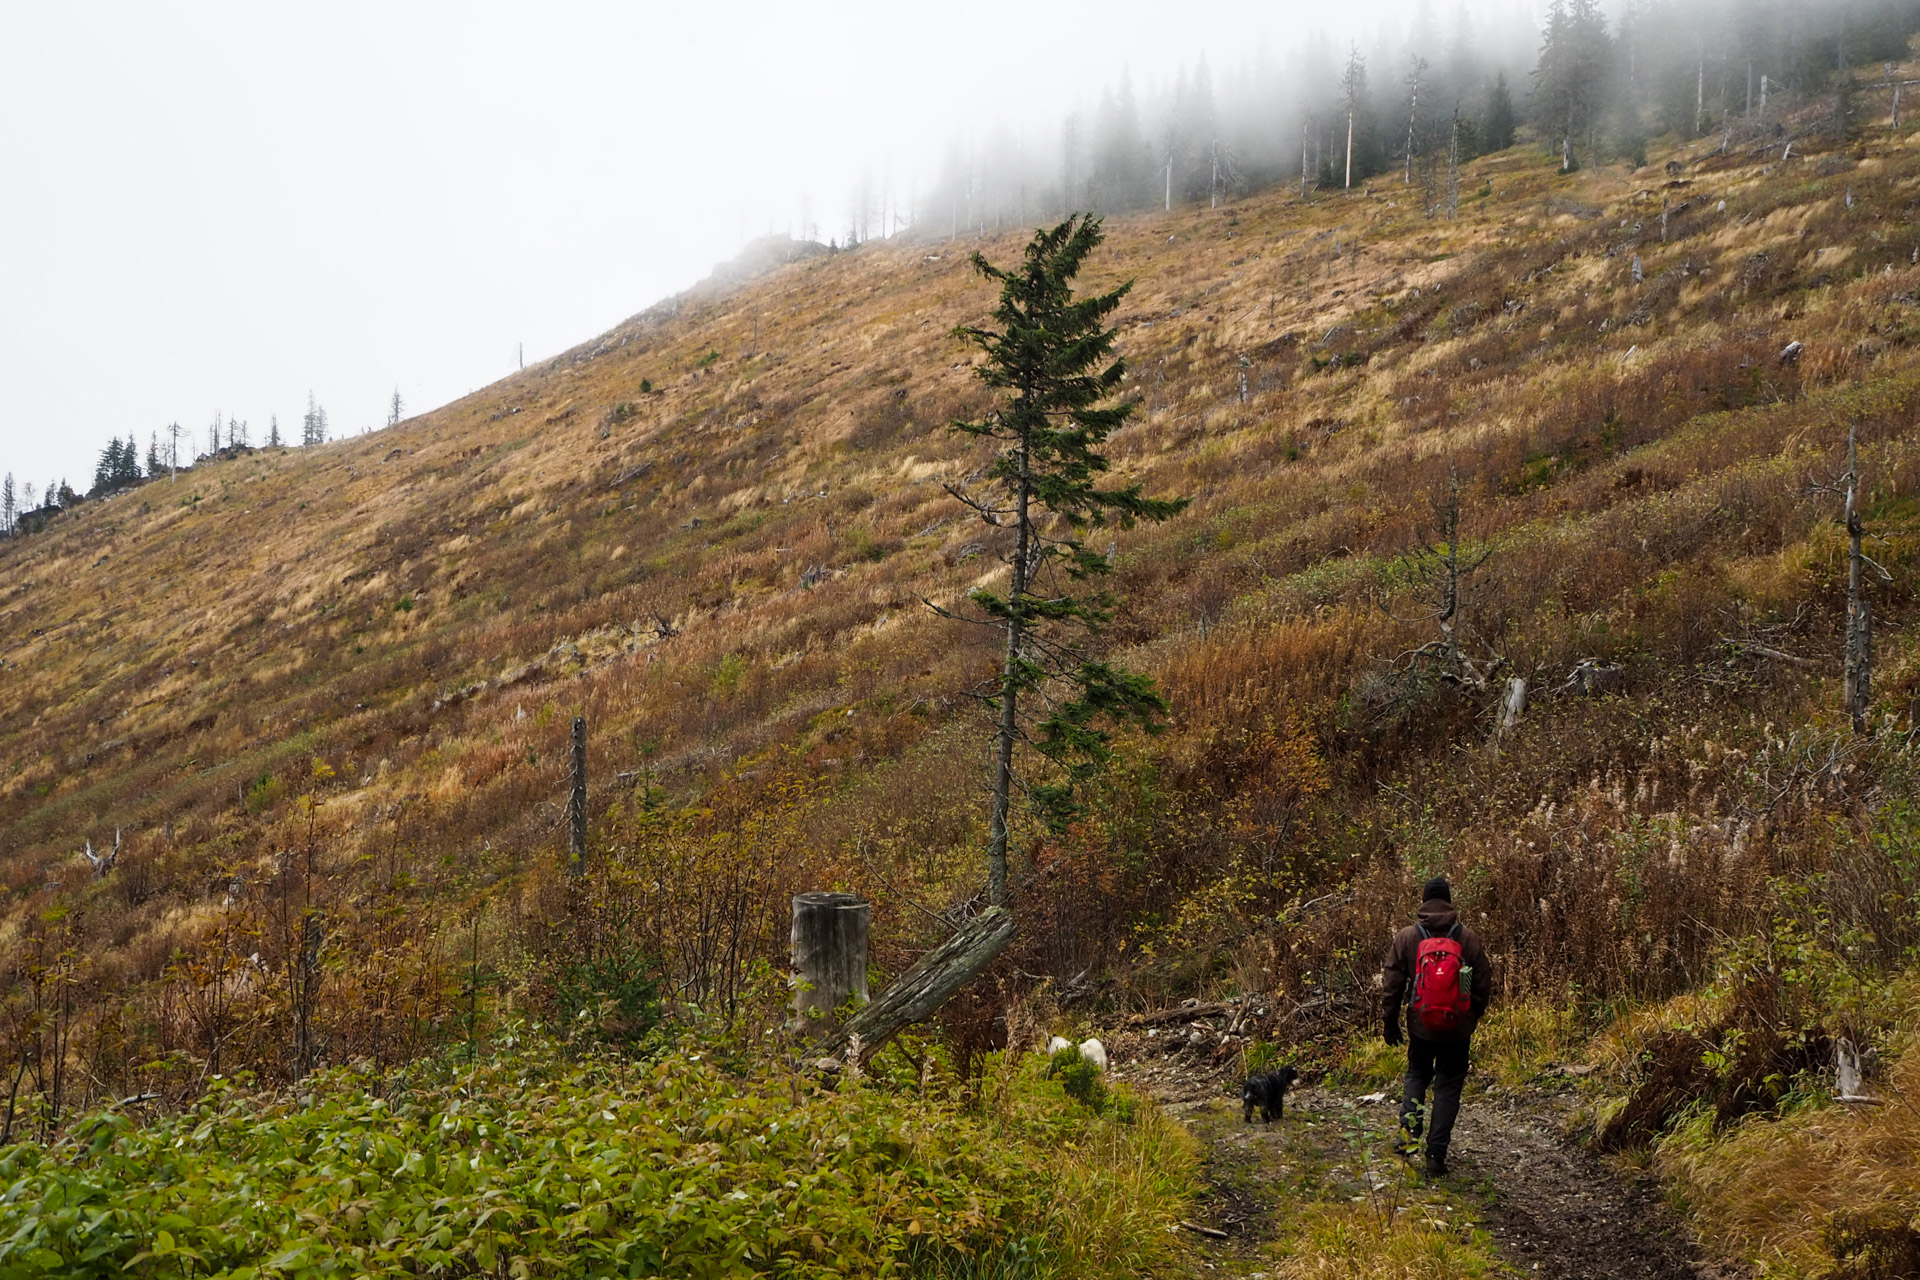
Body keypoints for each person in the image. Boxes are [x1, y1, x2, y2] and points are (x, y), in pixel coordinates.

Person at [1381, 876, 1492, 1176]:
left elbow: (1391, 985)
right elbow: (1483, 984)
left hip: (1421, 1027)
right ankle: (1436, 1156)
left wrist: (1390, 1023)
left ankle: (1408, 1139)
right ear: (1449, 900)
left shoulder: (1406, 937)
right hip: (1457, 1030)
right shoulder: (1467, 938)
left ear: (1424, 901)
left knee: (1417, 1074)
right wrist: (1470, 1018)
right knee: (1448, 1087)